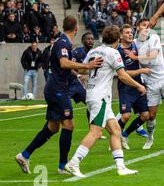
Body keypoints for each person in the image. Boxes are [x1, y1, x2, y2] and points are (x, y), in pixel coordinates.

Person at [15, 16, 103, 174]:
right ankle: (63, 166)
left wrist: (87, 68)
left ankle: (24, 155)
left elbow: (70, 66)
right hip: (58, 89)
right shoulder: (63, 42)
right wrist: (87, 65)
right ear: (76, 29)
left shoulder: (63, 42)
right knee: (69, 125)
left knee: (53, 127)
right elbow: (64, 63)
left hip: (56, 88)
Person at [65, 26, 146, 177]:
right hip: (100, 97)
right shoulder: (113, 52)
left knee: (116, 131)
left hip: (94, 94)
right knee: (95, 132)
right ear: (118, 39)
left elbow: (82, 70)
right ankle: (73, 163)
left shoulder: (93, 51)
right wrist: (139, 85)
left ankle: (121, 167)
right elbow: (122, 75)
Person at [132, 19, 164, 151]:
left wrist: (135, 57)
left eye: (148, 26)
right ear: (137, 27)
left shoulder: (154, 37)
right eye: (143, 25)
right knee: (151, 115)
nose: (146, 28)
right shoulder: (134, 44)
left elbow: (153, 55)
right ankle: (150, 139)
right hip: (150, 81)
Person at [116, 24, 151, 149]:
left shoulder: (135, 45)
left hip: (138, 86)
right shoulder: (118, 52)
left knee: (146, 115)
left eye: (131, 32)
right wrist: (141, 71)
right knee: (126, 115)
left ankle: (125, 134)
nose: (130, 34)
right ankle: (115, 138)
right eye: (126, 32)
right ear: (120, 36)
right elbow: (123, 73)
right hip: (126, 87)